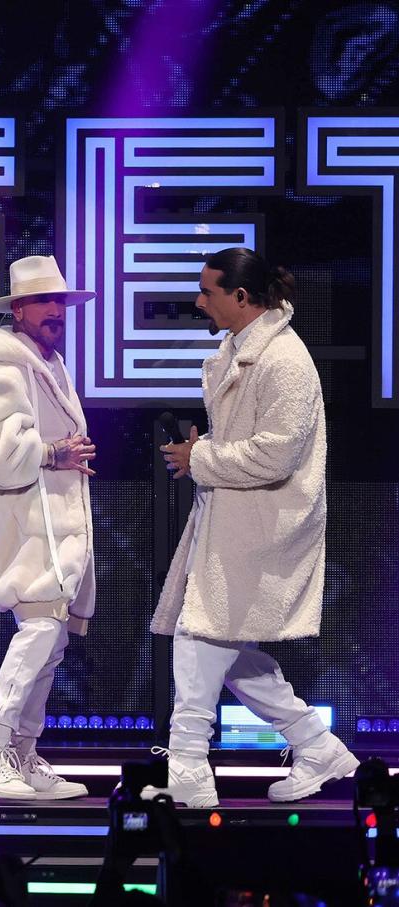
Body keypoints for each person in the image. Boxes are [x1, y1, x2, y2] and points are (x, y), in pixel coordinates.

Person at [151, 247, 358, 806]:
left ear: (241, 297)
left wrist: (201, 459)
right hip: (233, 517)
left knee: (202, 632)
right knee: (226, 645)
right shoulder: (240, 352)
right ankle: (318, 746)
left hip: (264, 522)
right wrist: (206, 455)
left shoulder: (284, 360)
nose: (199, 302)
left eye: (208, 292)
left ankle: (190, 770)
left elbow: (277, 455)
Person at [0, 255, 96, 801]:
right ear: (19, 310)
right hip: (26, 525)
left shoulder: (44, 363)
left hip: (51, 526)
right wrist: (51, 453)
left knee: (49, 643)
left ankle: (23, 754)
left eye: (61, 303)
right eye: (44, 303)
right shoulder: (2, 365)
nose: (56, 312)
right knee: (40, 634)